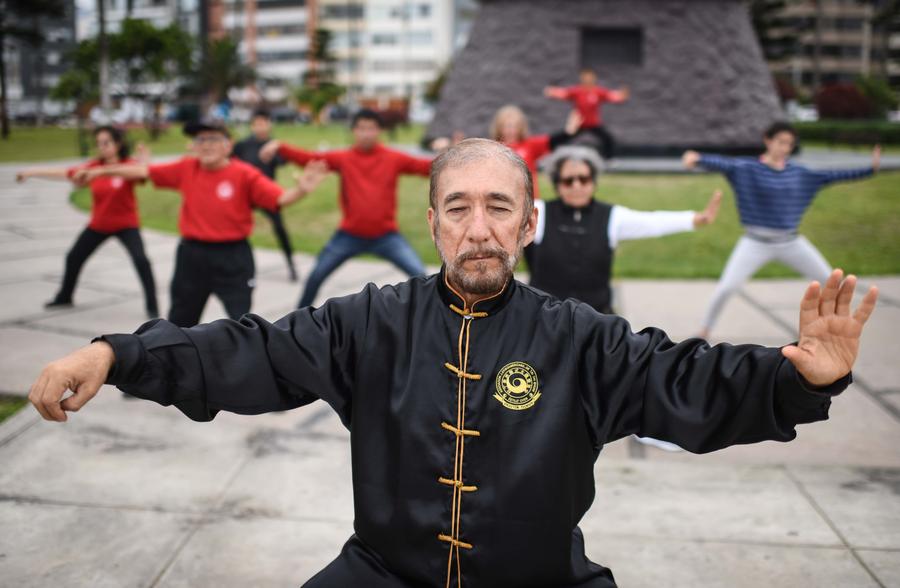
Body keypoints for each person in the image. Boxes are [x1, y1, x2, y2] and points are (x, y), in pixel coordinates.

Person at [30, 139, 878, 588]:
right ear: (433, 223)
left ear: (528, 224)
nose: (479, 227)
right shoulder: (368, 322)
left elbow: (686, 381)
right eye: (460, 208)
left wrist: (799, 377)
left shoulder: (583, 337)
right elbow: (246, 350)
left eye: (499, 207)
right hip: (382, 573)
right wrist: (119, 352)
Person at [75, 118, 328, 328]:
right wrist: (100, 171)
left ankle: (244, 380)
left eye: (213, 139)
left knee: (243, 326)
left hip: (233, 258)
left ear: (228, 145)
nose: (205, 145)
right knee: (178, 325)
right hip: (192, 257)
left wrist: (302, 191)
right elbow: (143, 172)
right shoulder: (187, 168)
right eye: (200, 140)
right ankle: (162, 382)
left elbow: (280, 198)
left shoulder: (245, 174)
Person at [683, 121, 881, 339]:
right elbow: (722, 163)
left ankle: (829, 328)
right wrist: (697, 158)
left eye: (789, 144)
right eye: (780, 142)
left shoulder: (800, 174)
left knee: (830, 281)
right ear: (767, 140)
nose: (785, 148)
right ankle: (704, 331)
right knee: (726, 288)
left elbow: (835, 175)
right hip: (754, 243)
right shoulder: (747, 169)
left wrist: (870, 169)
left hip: (790, 243)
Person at [259, 109, 434, 308]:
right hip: (349, 236)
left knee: (421, 278)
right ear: (354, 131)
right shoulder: (344, 158)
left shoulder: (393, 158)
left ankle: (435, 320)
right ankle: (296, 323)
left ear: (379, 131)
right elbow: (310, 158)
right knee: (315, 276)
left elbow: (426, 167)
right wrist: (280, 146)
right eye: (361, 128)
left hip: (386, 236)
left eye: (371, 128)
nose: (366, 133)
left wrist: (455, 152)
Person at [530, 147, 721, 315]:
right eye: (568, 180)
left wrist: (695, 219)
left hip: (594, 318)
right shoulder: (539, 213)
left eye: (584, 179)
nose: (577, 185)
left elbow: (652, 222)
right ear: (557, 184)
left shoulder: (612, 216)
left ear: (594, 182)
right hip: (545, 317)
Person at [16, 126, 159, 318]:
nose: (102, 147)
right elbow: (65, 173)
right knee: (73, 257)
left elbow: (142, 173)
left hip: (126, 224)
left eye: (106, 142)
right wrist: (31, 172)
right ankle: (64, 296)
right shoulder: (92, 167)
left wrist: (144, 161)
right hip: (99, 224)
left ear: (118, 144)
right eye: (99, 143)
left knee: (141, 260)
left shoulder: (127, 165)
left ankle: (152, 305)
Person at [231, 108, 299, 282]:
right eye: (256, 124)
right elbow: (229, 162)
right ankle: (237, 268)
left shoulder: (273, 147)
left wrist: (278, 152)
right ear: (252, 126)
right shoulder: (243, 145)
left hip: (266, 194)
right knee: (235, 230)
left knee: (280, 228)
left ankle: (291, 264)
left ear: (269, 125)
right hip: (244, 195)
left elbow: (284, 160)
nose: (260, 127)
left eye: (263, 123)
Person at [489, 105, 579, 199]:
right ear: (499, 127)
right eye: (507, 126)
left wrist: (568, 132)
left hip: (530, 198)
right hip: (504, 198)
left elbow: (551, 142)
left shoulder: (529, 145)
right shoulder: (493, 148)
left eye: (514, 126)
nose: (510, 130)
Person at [544, 68, 629, 161]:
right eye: (585, 77)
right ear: (582, 78)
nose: (588, 79)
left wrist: (622, 95)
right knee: (560, 137)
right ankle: (549, 154)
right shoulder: (577, 91)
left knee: (608, 138)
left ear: (594, 78)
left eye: (590, 77)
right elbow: (563, 93)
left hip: (593, 123)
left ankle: (609, 160)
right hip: (579, 123)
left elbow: (612, 96)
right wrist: (552, 92)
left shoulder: (598, 91)